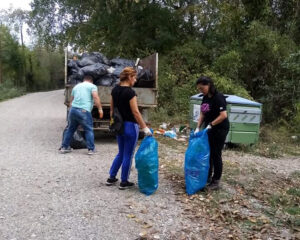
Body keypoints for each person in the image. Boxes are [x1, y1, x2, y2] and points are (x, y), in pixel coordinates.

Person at [106, 67, 152, 190]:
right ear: (130, 77)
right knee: (128, 154)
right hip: (130, 126)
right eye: (135, 77)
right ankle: (124, 181)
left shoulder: (114, 90)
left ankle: (111, 177)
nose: (135, 80)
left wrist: (113, 123)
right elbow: (136, 112)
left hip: (119, 126)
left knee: (121, 153)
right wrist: (145, 128)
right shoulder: (130, 93)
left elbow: (111, 110)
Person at [195, 76, 229, 190]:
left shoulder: (218, 97)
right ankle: (208, 176)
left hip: (220, 129)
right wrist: (198, 127)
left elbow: (223, 115)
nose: (201, 90)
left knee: (216, 154)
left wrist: (212, 124)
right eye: (199, 88)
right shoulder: (205, 98)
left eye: (202, 88)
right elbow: (203, 114)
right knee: (207, 152)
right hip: (209, 129)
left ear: (208, 85)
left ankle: (216, 181)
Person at [60, 75, 103, 155]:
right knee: (88, 130)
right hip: (84, 111)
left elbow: (71, 101)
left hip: (73, 110)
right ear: (91, 81)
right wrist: (100, 109)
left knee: (70, 129)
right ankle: (91, 149)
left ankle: (64, 147)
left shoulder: (76, 87)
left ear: (84, 80)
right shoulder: (92, 86)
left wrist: (70, 111)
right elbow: (95, 97)